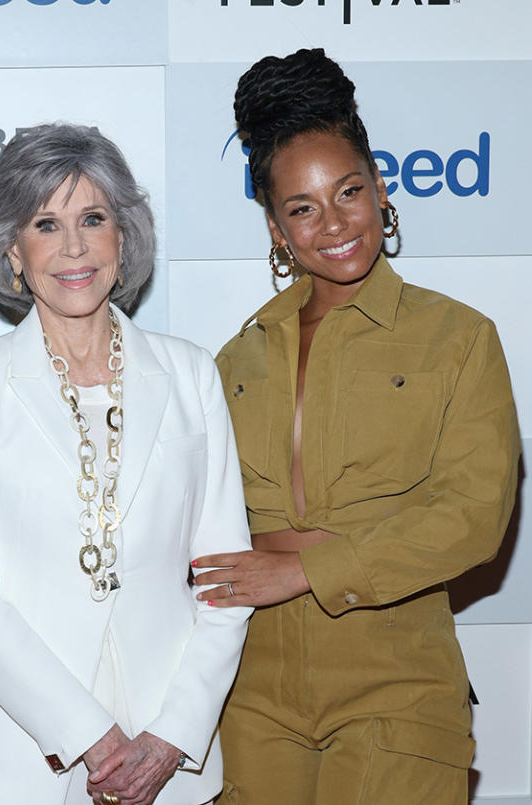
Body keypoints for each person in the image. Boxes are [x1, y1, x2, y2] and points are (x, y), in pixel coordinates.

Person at [192, 49, 521, 805]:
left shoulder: (458, 337)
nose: (333, 223)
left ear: (380, 188)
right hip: (250, 685)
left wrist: (305, 570)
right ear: (275, 227)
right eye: (301, 208)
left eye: (348, 192)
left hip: (394, 674)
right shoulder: (232, 358)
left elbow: (472, 518)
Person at [0, 123, 252, 805]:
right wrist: (87, 734)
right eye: (45, 223)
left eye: (92, 218)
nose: (73, 246)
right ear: (12, 251)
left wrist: (172, 735)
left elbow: (225, 580)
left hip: (172, 764)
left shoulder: (191, 373)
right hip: (15, 758)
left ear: (123, 236)